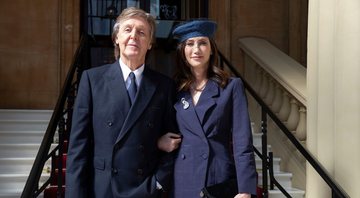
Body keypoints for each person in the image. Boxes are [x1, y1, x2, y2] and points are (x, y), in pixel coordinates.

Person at [65, 7, 179, 198]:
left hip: (146, 189)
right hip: (103, 189)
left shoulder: (164, 86)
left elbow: (173, 141)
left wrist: (158, 183)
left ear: (150, 43)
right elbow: (78, 148)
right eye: (127, 30)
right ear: (116, 38)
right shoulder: (92, 80)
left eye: (142, 32)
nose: (134, 36)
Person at [158, 19, 257, 198]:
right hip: (182, 177)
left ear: (211, 49)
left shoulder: (231, 87)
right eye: (190, 44)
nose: (196, 50)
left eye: (202, 43)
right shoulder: (173, 89)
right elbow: (156, 127)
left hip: (217, 176)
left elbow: (243, 141)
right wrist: (158, 142)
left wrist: (245, 189)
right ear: (183, 51)